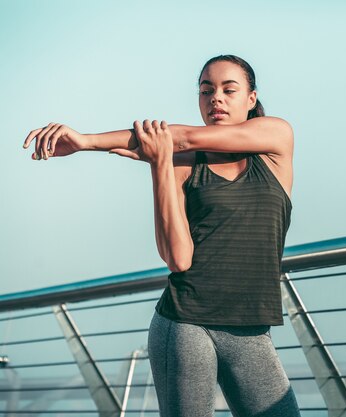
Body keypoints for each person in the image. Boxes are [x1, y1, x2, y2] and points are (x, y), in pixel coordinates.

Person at [23, 54, 301, 417]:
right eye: (205, 90)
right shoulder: (184, 164)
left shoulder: (275, 138)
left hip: (251, 330)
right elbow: (178, 259)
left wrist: (86, 140)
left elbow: (183, 136)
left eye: (228, 89)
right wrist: (160, 166)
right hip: (185, 325)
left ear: (251, 99)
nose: (215, 97)